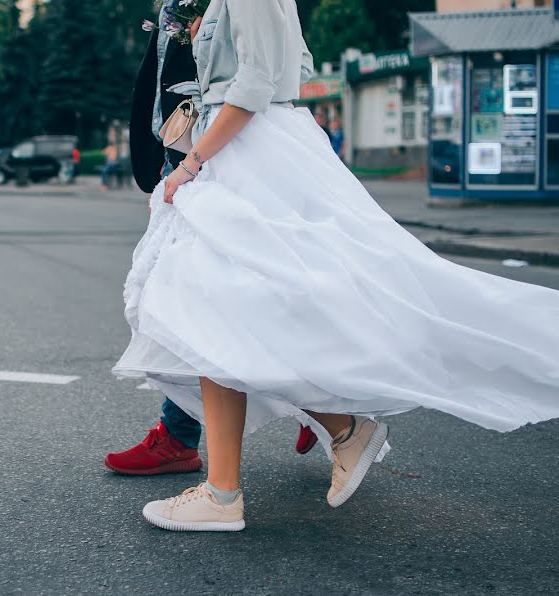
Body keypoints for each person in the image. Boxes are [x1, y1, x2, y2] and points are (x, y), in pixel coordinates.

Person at [113, 0, 559, 532]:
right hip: (249, 151)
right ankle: (272, 466)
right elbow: (293, 66)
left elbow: (255, 86)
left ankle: (240, 485)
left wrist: (190, 163)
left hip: (248, 157)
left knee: (226, 309)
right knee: (220, 314)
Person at [107, 0, 320, 476]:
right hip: (187, 143)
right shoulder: (179, 4)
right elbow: (158, 70)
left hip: (222, 149)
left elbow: (275, 71)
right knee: (201, 296)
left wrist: (207, 121)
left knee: (216, 296)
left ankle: (324, 406)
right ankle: (194, 443)